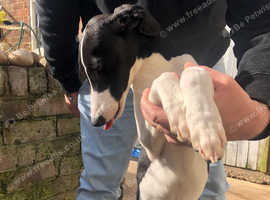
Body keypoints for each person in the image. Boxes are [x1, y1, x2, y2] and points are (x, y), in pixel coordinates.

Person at [35, 1, 270, 200]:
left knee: (209, 188)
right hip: (113, 67)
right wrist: (69, 78)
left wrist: (260, 99)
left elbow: (260, 19)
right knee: (100, 187)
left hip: (199, 70)